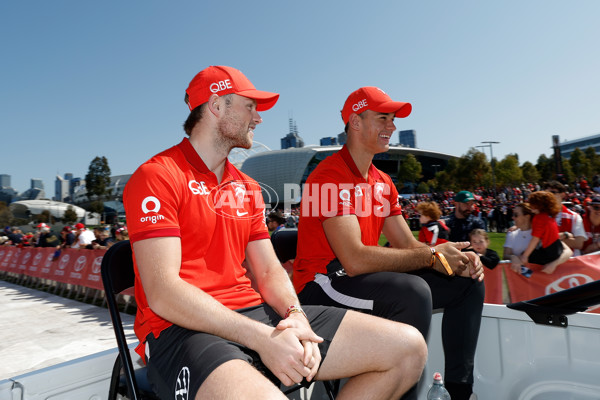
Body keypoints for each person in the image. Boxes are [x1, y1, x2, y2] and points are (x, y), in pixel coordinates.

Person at [122, 66, 426, 400]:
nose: (259, 118)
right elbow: (163, 293)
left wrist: (296, 317)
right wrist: (262, 339)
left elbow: (268, 271)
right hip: (182, 331)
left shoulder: (247, 187)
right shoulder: (157, 176)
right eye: (250, 106)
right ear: (216, 106)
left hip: (255, 317)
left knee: (409, 349)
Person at [293, 86, 484, 400]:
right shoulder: (328, 177)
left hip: (355, 279)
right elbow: (353, 259)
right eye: (383, 118)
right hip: (321, 284)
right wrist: (431, 255)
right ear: (356, 122)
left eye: (392, 119)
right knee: (412, 292)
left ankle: (460, 393)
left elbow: (407, 244)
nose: (392, 127)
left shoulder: (382, 182)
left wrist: (453, 256)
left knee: (467, 282)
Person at [521, 191, 573, 274]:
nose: (530, 206)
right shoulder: (550, 217)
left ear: (538, 205)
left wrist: (525, 256)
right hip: (557, 249)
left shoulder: (538, 218)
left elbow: (535, 239)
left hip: (549, 253)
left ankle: (527, 277)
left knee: (524, 259)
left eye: (532, 204)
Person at [544, 181, 586, 255]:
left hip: (570, 263)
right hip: (546, 262)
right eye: (546, 193)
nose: (549, 196)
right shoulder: (538, 216)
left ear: (562, 194)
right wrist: (566, 236)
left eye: (553, 192)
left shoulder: (574, 217)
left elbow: (579, 243)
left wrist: (549, 239)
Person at [503, 202, 534, 273]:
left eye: (516, 215)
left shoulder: (537, 235)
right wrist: (513, 257)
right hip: (517, 277)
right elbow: (505, 255)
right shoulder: (512, 234)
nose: (513, 217)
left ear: (527, 216)